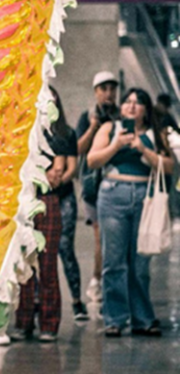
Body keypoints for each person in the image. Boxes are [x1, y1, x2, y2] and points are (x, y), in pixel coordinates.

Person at [87, 87, 173, 337]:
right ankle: (114, 318)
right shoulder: (109, 129)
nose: (131, 106)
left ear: (146, 110)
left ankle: (142, 318)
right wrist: (116, 145)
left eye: (138, 103)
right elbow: (92, 160)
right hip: (113, 193)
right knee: (113, 261)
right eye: (127, 102)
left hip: (144, 198)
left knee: (140, 263)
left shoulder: (155, 134)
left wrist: (143, 149)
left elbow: (168, 166)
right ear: (121, 107)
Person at [14, 86, 77, 343]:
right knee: (25, 265)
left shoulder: (61, 134)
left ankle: (49, 323)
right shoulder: (22, 131)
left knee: (48, 264)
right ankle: (24, 321)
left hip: (49, 199)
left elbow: (61, 172)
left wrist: (52, 176)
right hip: (25, 200)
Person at [75, 71, 119, 306]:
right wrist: (93, 128)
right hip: (93, 187)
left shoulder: (124, 115)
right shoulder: (87, 116)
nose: (108, 93)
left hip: (118, 185)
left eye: (112, 88)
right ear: (95, 92)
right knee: (100, 236)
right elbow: (78, 149)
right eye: (103, 88)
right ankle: (97, 280)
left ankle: (108, 282)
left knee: (116, 239)